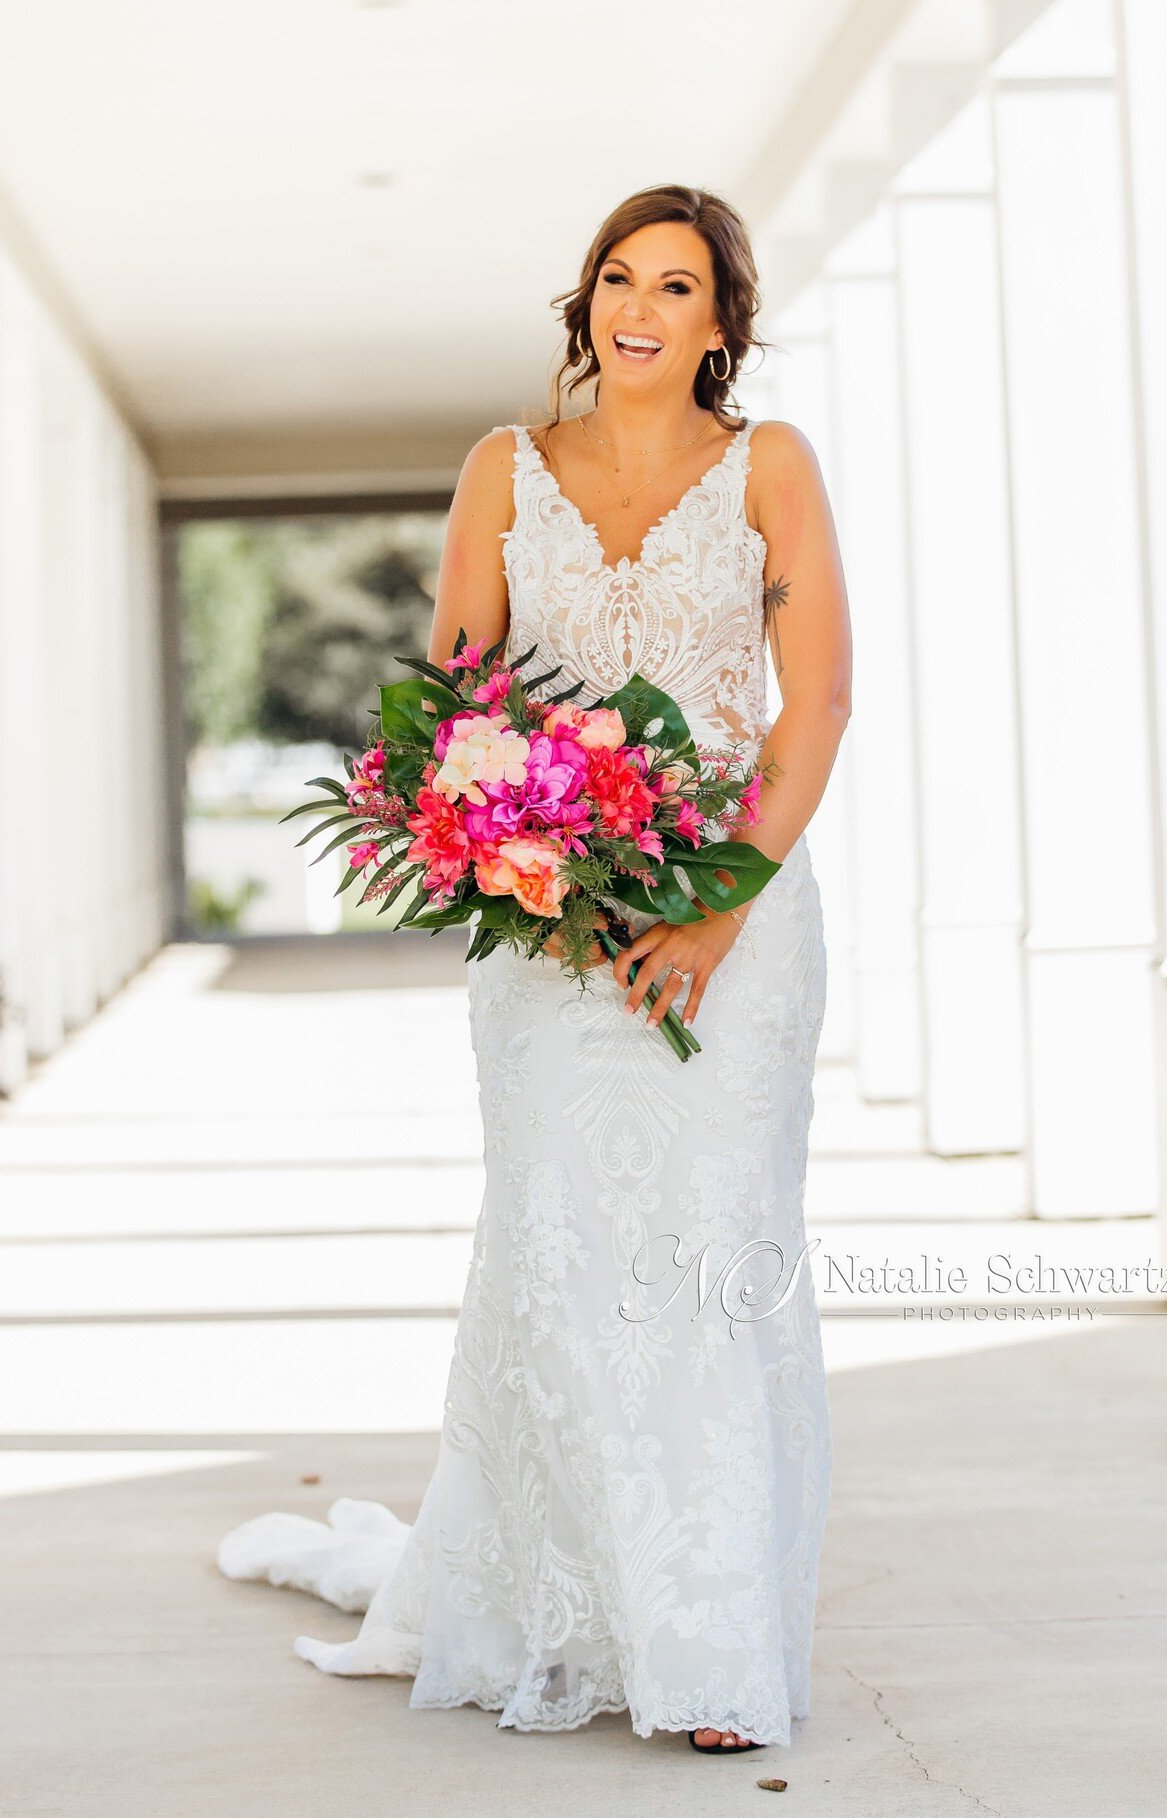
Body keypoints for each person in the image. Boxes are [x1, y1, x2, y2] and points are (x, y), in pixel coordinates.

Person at [219, 182, 853, 1756]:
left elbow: (818, 700)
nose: (642, 306)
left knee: (712, 1257)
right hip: (548, 934)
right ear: (588, 304)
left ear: (723, 322)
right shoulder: (503, 471)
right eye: (619, 277)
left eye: (678, 285)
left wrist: (716, 911)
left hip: (737, 922)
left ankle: (712, 1648)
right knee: (563, 1262)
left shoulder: (770, 466)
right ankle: (565, 1612)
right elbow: (454, 706)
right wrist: (532, 868)